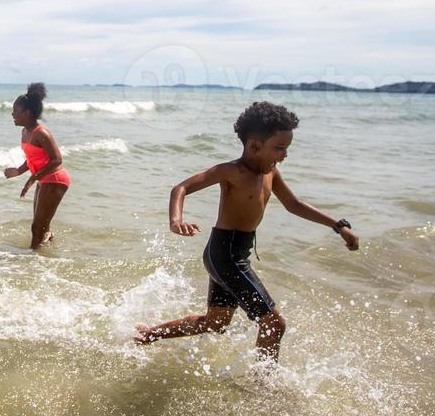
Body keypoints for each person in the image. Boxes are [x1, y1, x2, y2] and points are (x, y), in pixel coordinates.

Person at [134, 101, 360, 360]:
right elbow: (181, 188)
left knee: (216, 323)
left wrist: (338, 226)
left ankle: (148, 335)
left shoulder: (271, 173)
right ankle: (264, 384)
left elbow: (294, 204)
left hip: (234, 254)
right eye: (279, 148)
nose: (284, 155)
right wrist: (176, 221)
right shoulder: (232, 171)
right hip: (225, 254)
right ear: (254, 145)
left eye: (286, 148)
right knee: (274, 323)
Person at [1, 82, 70, 249]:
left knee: (36, 227)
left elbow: (56, 160)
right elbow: (32, 158)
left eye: (15, 111)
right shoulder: (25, 132)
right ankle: (46, 254)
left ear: (27, 113)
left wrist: (32, 178)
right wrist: (19, 171)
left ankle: (32, 262)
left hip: (55, 180)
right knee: (41, 226)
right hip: (44, 180)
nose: (12, 114)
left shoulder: (41, 133)